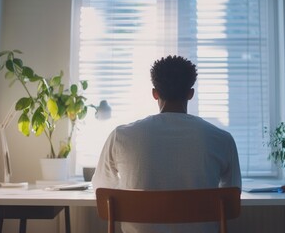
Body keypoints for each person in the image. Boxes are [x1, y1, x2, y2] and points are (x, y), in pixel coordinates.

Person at [92, 55, 242, 233]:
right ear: (190, 94)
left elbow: (102, 189)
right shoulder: (222, 139)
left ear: (155, 93)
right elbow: (232, 194)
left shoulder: (121, 136)